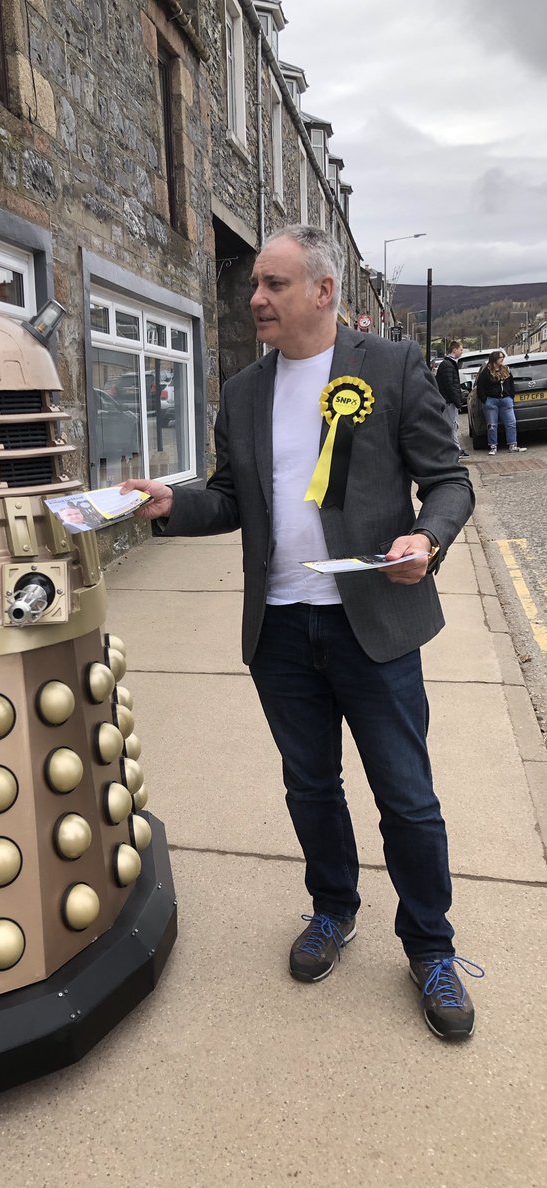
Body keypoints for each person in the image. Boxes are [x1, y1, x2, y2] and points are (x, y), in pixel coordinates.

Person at [121, 224, 483, 1039]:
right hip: (280, 628)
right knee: (310, 785)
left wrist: (426, 539)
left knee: (408, 798)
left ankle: (431, 947)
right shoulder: (245, 390)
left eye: (276, 284)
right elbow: (230, 497)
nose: (257, 299)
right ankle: (333, 908)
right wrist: (176, 506)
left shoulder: (388, 368)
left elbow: (449, 482)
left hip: (374, 626)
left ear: (323, 291)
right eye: (256, 285)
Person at [475, 350, 526, 455]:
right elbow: (480, 386)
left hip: (506, 400)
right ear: (494, 359)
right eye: (500, 357)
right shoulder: (486, 372)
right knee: (492, 425)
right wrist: (485, 399)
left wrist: (511, 395)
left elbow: (511, 383)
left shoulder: (506, 370)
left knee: (511, 423)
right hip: (491, 401)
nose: (502, 359)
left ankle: (513, 445)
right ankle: (493, 446)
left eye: (503, 357)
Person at [435, 340, 468, 458]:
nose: (462, 351)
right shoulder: (448, 365)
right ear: (454, 349)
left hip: (448, 400)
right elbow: (450, 385)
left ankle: (455, 449)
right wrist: (457, 401)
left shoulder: (448, 364)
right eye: (460, 349)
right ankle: (455, 450)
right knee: (452, 426)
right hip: (448, 401)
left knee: (453, 425)